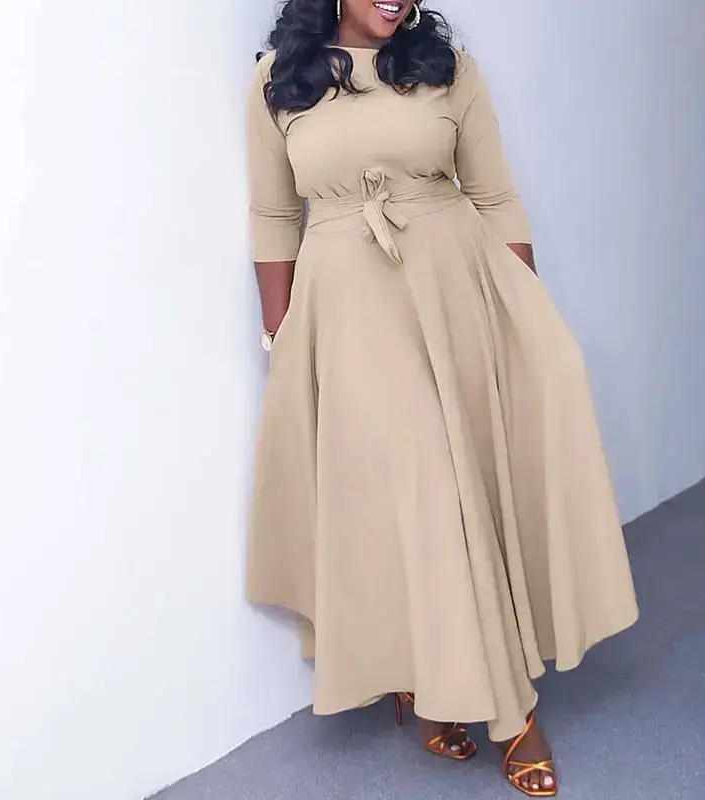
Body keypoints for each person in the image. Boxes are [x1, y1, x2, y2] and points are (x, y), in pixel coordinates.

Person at [245, 0, 639, 796]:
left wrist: (521, 313)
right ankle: (464, 694)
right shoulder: (276, 80)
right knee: (410, 492)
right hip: (348, 306)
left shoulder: (447, 68)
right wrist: (280, 338)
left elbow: (495, 197)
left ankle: (481, 700)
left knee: (462, 488)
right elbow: (275, 214)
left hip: (456, 287)